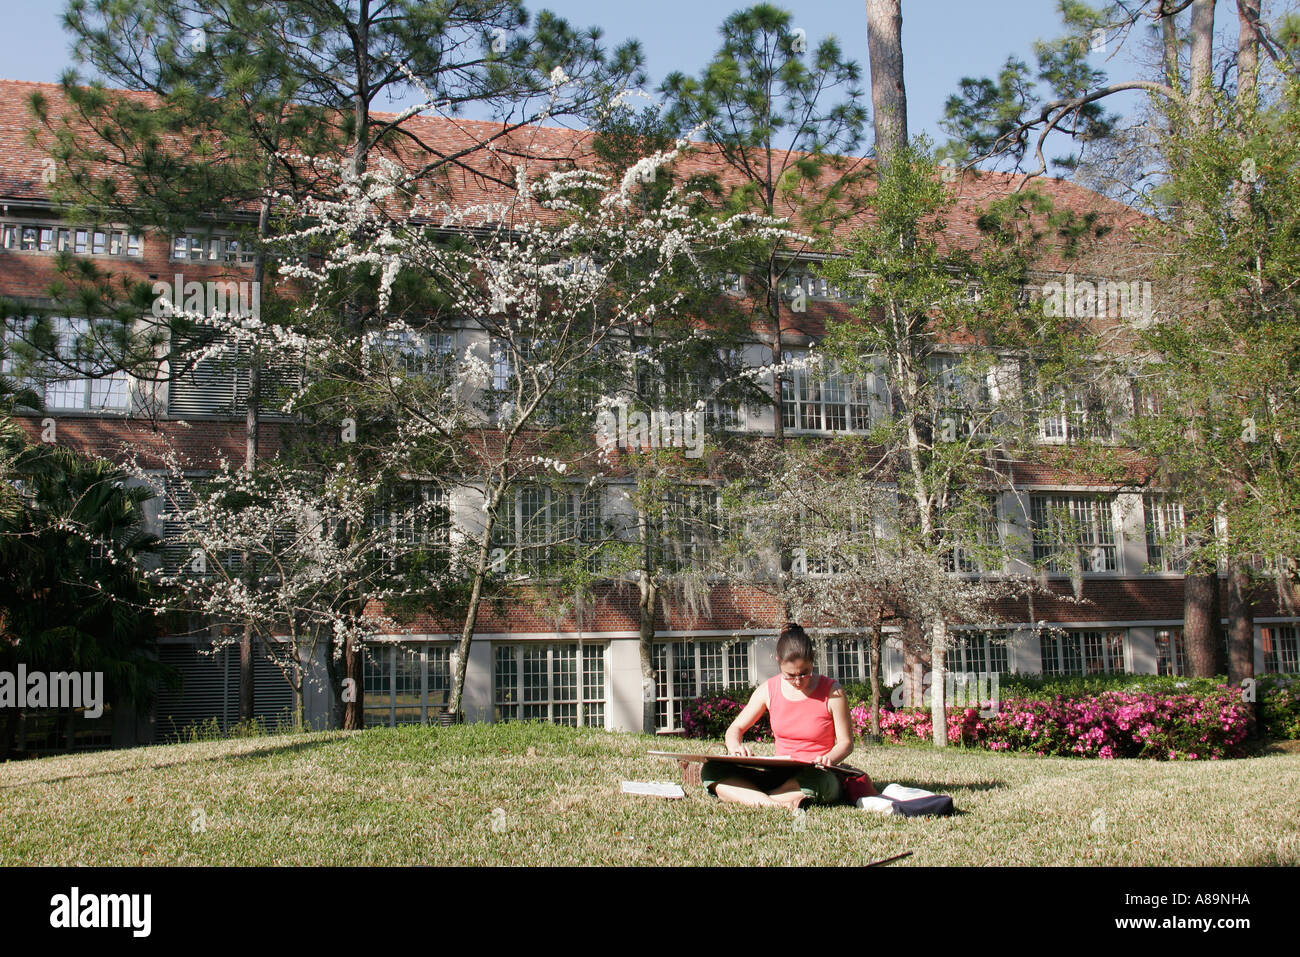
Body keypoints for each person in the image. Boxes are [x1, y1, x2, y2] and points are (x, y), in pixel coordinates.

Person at [701, 623, 857, 809]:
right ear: (778, 662)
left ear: (812, 660)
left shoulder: (833, 692)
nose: (798, 681)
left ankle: (754, 798)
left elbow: (846, 743)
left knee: (820, 782)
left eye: (804, 673)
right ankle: (777, 803)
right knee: (711, 771)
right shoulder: (768, 690)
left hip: (816, 774)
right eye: (790, 675)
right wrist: (736, 747)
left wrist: (829, 758)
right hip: (778, 774)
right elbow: (735, 729)